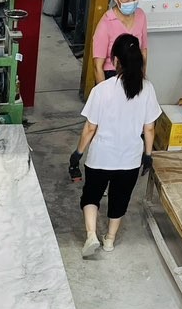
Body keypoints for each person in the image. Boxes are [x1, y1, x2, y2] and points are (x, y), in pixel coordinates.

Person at [69, 33, 161, 257]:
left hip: (101, 157)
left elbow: (90, 128)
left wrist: (78, 153)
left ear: (116, 60)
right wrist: (148, 155)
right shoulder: (147, 89)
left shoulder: (102, 90)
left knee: (91, 196)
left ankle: (91, 235)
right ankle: (109, 240)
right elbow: (149, 128)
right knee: (120, 200)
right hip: (129, 160)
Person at [92, 0, 148, 85]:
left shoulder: (141, 16)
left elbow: (143, 50)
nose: (132, 1)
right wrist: (104, 92)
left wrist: (142, 80)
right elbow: (97, 67)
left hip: (134, 73)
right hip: (112, 76)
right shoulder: (106, 23)